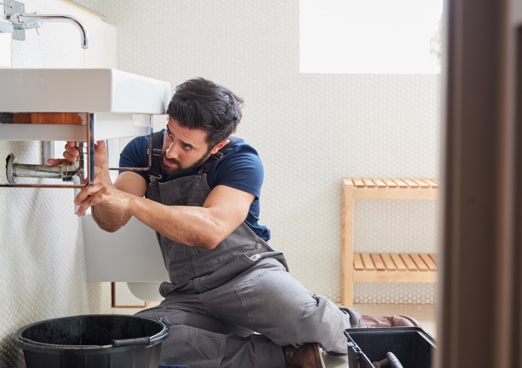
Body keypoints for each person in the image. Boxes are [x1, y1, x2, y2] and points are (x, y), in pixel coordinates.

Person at [51, 78, 419, 368]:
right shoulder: (143, 151)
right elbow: (112, 221)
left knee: (311, 324)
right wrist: (102, 181)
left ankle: (362, 324)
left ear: (216, 145)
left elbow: (210, 230)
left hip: (248, 277)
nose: (171, 151)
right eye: (170, 135)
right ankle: (285, 358)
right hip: (188, 294)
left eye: (187, 146)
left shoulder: (241, 160)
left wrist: (129, 198)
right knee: (145, 343)